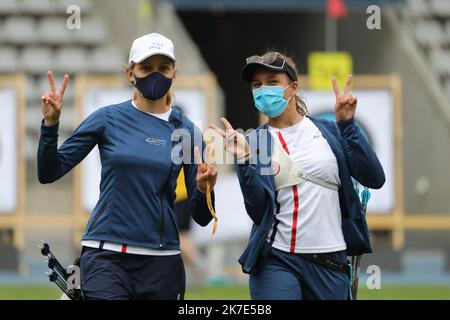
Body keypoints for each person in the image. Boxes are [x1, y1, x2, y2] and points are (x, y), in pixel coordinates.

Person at [37, 33, 217, 300]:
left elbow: (202, 217)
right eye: (146, 68)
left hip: (162, 260)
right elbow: (49, 172)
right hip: (106, 255)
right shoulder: (107, 119)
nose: (155, 75)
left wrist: (205, 189)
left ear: (174, 74)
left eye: (163, 68)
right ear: (130, 73)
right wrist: (50, 126)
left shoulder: (188, 132)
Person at [209, 51, 385, 300]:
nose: (263, 89)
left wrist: (348, 125)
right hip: (276, 261)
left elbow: (374, 178)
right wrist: (246, 160)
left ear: (293, 87)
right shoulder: (252, 143)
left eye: (272, 81)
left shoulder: (329, 132)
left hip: (330, 262)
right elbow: (258, 210)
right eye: (257, 84)